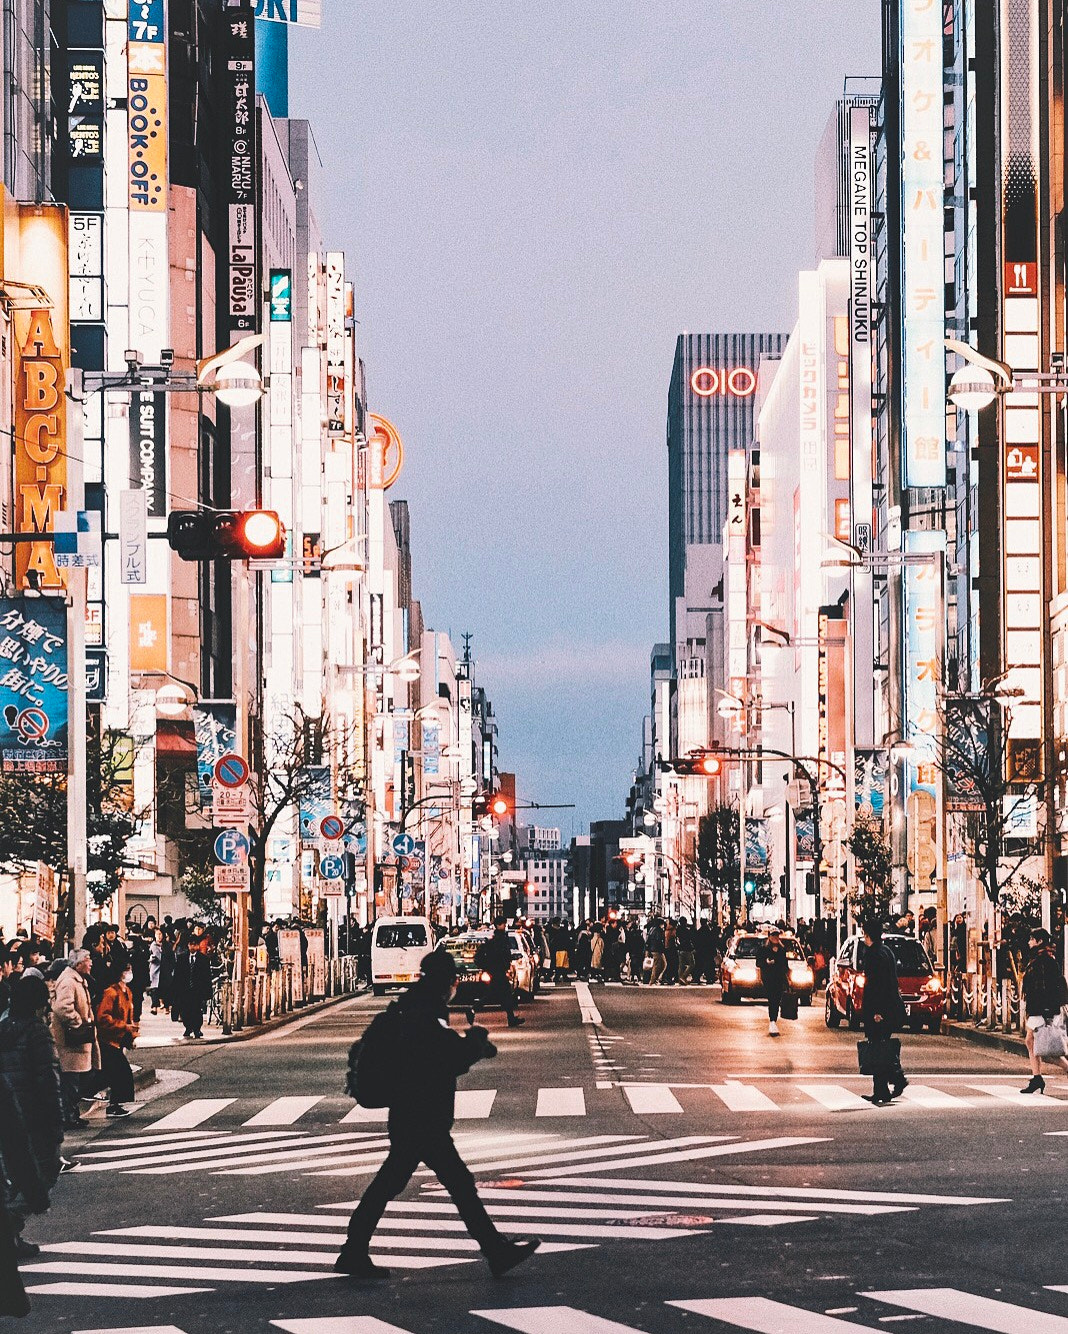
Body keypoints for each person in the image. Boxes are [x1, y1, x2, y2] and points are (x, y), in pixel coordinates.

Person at [336, 950, 539, 1280]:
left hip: (413, 1113)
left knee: (398, 1182)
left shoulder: (413, 1005)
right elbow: (440, 1056)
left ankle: (354, 1249)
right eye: (452, 979)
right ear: (445, 980)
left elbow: (435, 1051)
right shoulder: (424, 1010)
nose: (454, 985)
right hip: (421, 1115)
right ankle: (495, 1250)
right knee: (453, 1182)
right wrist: (474, 1043)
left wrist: (468, 1045)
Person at [0, 975, 64, 1258]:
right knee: (44, 1171)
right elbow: (48, 1080)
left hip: (10, 1112)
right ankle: (9, 1223)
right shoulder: (37, 1032)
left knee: (12, 1174)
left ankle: (11, 1232)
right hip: (34, 1113)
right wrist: (55, 1120)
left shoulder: (4, 1029)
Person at [50, 949, 100, 1128]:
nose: (91, 963)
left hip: (77, 1041)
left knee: (77, 1079)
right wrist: (79, 1022)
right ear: (78, 964)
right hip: (71, 1041)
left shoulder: (76, 979)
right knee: (71, 1080)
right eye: (87, 959)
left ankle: (71, 1114)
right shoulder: (69, 981)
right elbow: (63, 1007)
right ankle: (68, 1116)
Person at [860, 919, 907, 1105]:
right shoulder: (886, 951)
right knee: (880, 1048)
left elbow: (876, 985)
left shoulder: (874, 955)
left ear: (868, 935)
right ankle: (881, 1091)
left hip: (879, 1008)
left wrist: (876, 1011)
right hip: (890, 1006)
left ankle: (897, 1078)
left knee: (878, 1047)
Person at [1020, 927, 1068, 1094]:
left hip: (1043, 1008)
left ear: (1039, 941)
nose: (1029, 942)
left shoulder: (1045, 960)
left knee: (1048, 1049)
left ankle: (1042, 1076)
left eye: (1031, 939)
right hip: (1038, 1007)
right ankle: (1037, 1077)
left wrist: (1048, 1009)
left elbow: (1049, 987)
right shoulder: (1039, 958)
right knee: (1031, 1041)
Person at [95, 965, 138, 1118]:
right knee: (119, 1072)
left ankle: (115, 1104)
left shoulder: (127, 992)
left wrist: (130, 1035)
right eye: (127, 969)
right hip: (108, 1039)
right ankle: (113, 1104)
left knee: (117, 1072)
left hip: (118, 1038)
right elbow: (103, 1018)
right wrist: (124, 1027)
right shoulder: (111, 992)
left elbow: (129, 1016)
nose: (129, 973)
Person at [477, 919, 523, 1028]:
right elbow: (500, 954)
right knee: (493, 995)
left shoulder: (500, 938)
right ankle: (473, 1009)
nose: (504, 926)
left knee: (504, 995)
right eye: (503, 924)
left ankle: (511, 1018)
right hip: (498, 971)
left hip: (498, 970)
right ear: (498, 925)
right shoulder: (498, 939)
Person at [756, 928, 789, 1036]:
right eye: (773, 935)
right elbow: (758, 963)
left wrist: (788, 978)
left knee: (777, 999)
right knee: (772, 999)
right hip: (768, 978)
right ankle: (772, 1021)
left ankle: (774, 1020)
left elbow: (785, 965)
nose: (775, 938)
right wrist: (766, 962)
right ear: (769, 937)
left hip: (779, 978)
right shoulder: (764, 949)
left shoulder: (782, 949)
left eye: (777, 936)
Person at [183, 936, 215, 1039]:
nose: (192, 946)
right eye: (190, 944)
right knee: (186, 1009)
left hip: (198, 988)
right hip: (185, 988)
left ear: (197, 946)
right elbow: (178, 975)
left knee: (197, 1009)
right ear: (188, 945)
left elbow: (206, 977)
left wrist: (207, 991)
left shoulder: (203, 959)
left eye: (195, 944)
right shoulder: (182, 958)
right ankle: (188, 1027)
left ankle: (197, 1029)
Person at [645, 917, 666, 985]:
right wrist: (662, 949)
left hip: (652, 949)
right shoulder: (658, 930)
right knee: (658, 966)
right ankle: (653, 980)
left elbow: (648, 940)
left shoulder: (651, 929)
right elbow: (659, 941)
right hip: (657, 950)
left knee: (661, 964)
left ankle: (655, 979)